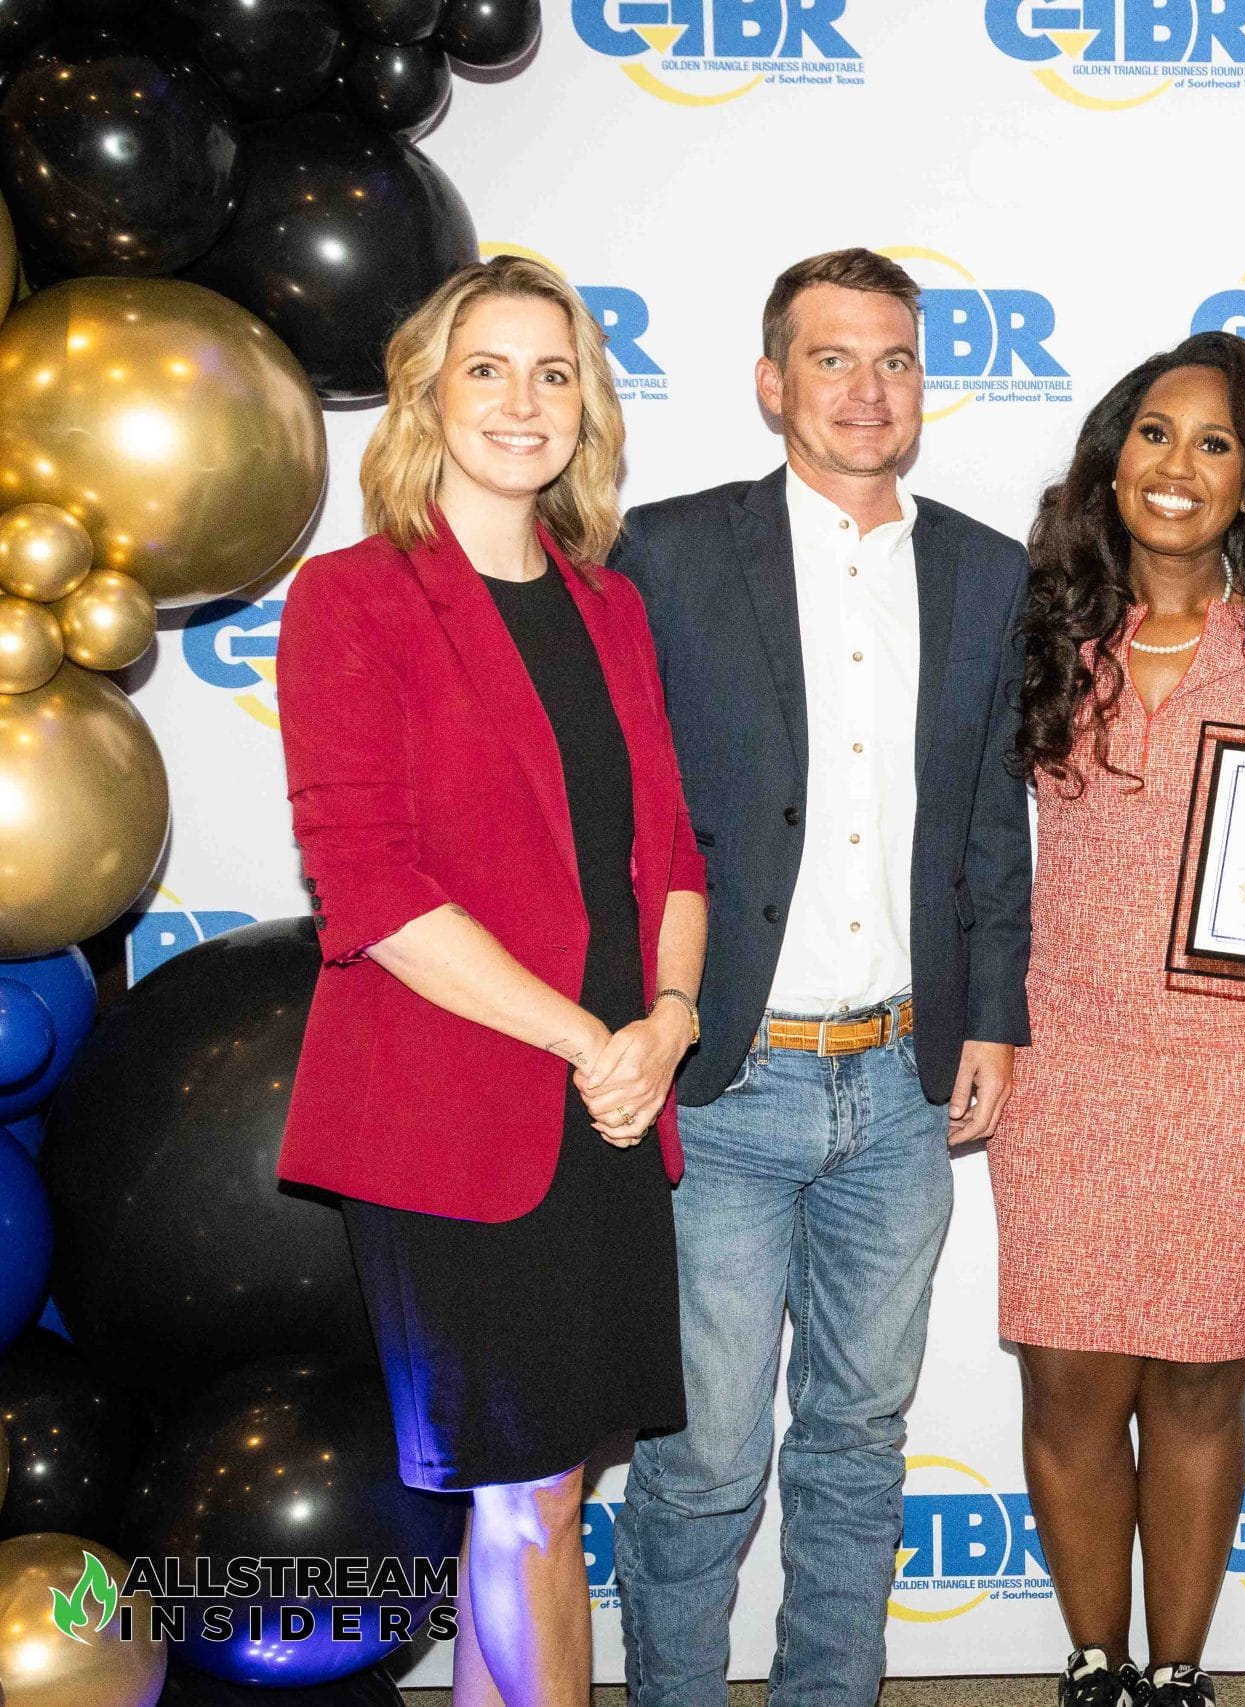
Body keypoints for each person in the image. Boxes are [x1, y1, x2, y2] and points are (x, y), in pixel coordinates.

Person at [276, 254, 705, 1707]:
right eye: (488, 369)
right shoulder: (353, 600)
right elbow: (372, 890)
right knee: (529, 1500)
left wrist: (669, 1024)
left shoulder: (611, 608)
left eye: (554, 372)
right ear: (426, 396)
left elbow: (673, 855)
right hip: (453, 1120)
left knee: (543, 1496)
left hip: (611, 1112)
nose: (523, 401)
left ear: (588, 407)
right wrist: (592, 1037)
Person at [607, 248, 1034, 1707]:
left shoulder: (986, 571)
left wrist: (996, 1019)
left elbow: (988, 819)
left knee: (858, 1444)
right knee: (705, 1458)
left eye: (895, 360)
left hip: (905, 1084)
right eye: (833, 359)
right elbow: (617, 818)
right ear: (770, 383)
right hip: (721, 1081)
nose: (867, 390)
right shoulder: (663, 554)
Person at [994, 330, 1245, 1707]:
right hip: (1065, 1054)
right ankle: (1096, 1666)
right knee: (1069, 1380)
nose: (1178, 466)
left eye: (1215, 444)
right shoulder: (1040, 636)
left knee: (1199, 1382)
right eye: (1154, 433)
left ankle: (1180, 1675)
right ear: (1112, 456)